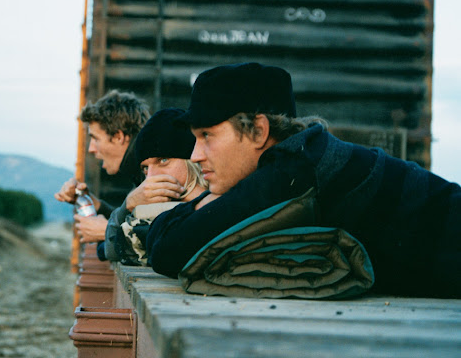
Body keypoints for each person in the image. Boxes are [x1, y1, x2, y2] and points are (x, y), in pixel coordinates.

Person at [146, 62, 460, 298]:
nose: (195, 155)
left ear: (259, 131)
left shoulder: (294, 172)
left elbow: (169, 252)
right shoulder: (305, 155)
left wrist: (201, 204)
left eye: (207, 136)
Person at [55, 90, 170, 245]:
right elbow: (133, 222)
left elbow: (162, 239)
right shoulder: (140, 170)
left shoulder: (151, 171)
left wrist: (107, 232)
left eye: (95, 138)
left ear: (118, 137)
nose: (91, 148)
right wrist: (94, 203)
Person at [104, 108, 214, 265]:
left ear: (192, 161)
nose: (151, 177)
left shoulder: (220, 200)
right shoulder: (154, 212)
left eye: (163, 160)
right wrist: (127, 206)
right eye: (145, 168)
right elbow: (112, 250)